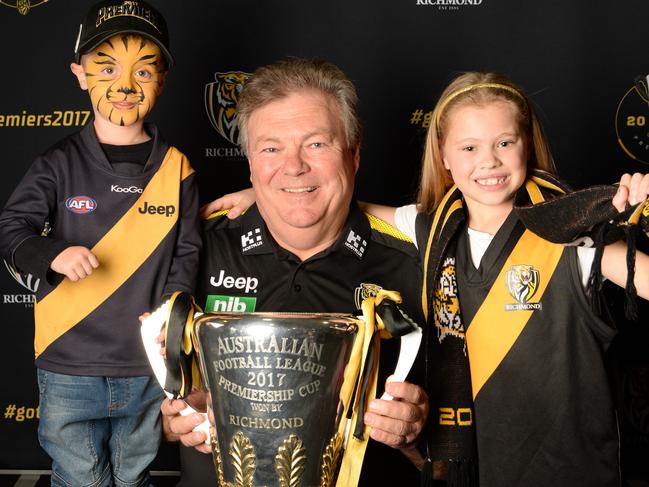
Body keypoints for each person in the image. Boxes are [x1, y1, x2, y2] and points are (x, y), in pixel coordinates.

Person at [206, 71, 649, 486]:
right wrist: (266, 193)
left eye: (504, 143)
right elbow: (339, 204)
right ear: (444, 156)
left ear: (526, 147)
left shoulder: (573, 240)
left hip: (573, 471)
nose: (489, 162)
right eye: (470, 148)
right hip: (478, 469)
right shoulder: (430, 229)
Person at [160, 57, 430, 487]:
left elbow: (465, 443)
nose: (294, 166)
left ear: (355, 154)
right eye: (271, 148)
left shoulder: (420, 260)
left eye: (317, 144)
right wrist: (171, 420)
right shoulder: (193, 248)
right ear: (250, 162)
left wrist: (417, 432)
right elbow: (138, 401)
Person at [0, 1, 201, 486]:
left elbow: (188, 254)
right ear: (80, 74)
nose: (125, 85)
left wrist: (170, 316)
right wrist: (53, 254)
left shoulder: (179, 168)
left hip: (145, 365)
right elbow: (12, 229)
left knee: (134, 476)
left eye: (143, 69)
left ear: (162, 79)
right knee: (80, 477)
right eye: (106, 67)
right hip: (68, 362)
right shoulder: (56, 163)